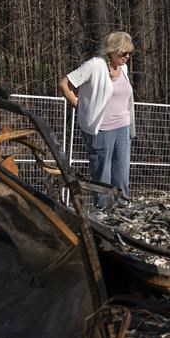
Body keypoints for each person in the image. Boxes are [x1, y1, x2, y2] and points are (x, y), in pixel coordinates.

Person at [58, 32, 137, 207]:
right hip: (100, 129)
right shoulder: (95, 66)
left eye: (129, 53)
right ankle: (103, 211)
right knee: (102, 175)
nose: (127, 57)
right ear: (112, 51)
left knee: (122, 173)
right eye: (123, 53)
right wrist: (79, 106)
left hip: (123, 127)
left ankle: (123, 210)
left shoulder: (123, 68)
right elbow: (65, 84)